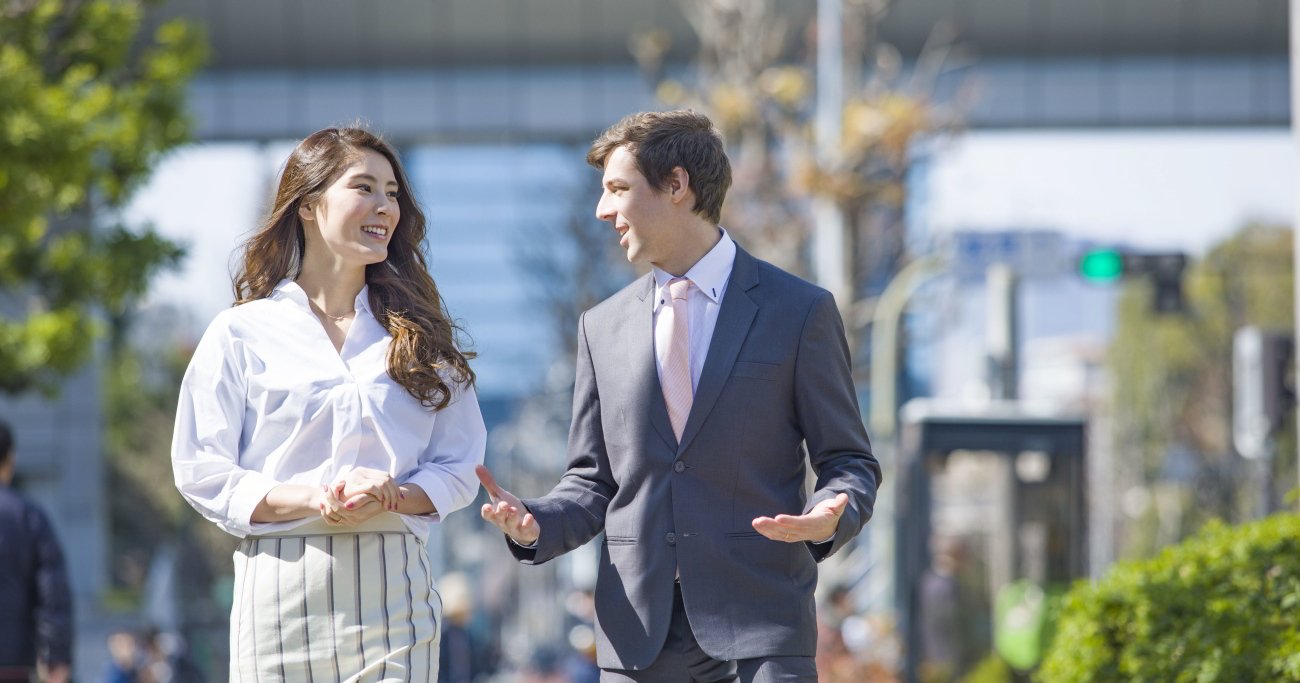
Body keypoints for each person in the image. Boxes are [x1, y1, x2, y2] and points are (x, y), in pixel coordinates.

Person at [478, 110, 880, 682]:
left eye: (618, 189)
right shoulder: (602, 327)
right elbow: (593, 482)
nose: (603, 210)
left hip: (761, 633)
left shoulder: (799, 312)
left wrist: (831, 512)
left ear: (676, 186)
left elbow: (849, 461)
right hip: (637, 638)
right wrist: (534, 522)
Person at [171, 126, 486, 681]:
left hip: (396, 589)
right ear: (310, 205)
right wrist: (313, 498)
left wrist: (396, 494)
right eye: (364, 187)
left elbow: (461, 466)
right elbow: (201, 468)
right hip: (278, 591)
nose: (384, 206)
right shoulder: (240, 333)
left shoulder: (421, 340)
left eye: (392, 193)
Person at [0, 419, 72, 683]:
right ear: (10, 459)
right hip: (12, 662)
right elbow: (52, 592)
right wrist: (56, 654)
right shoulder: (27, 516)